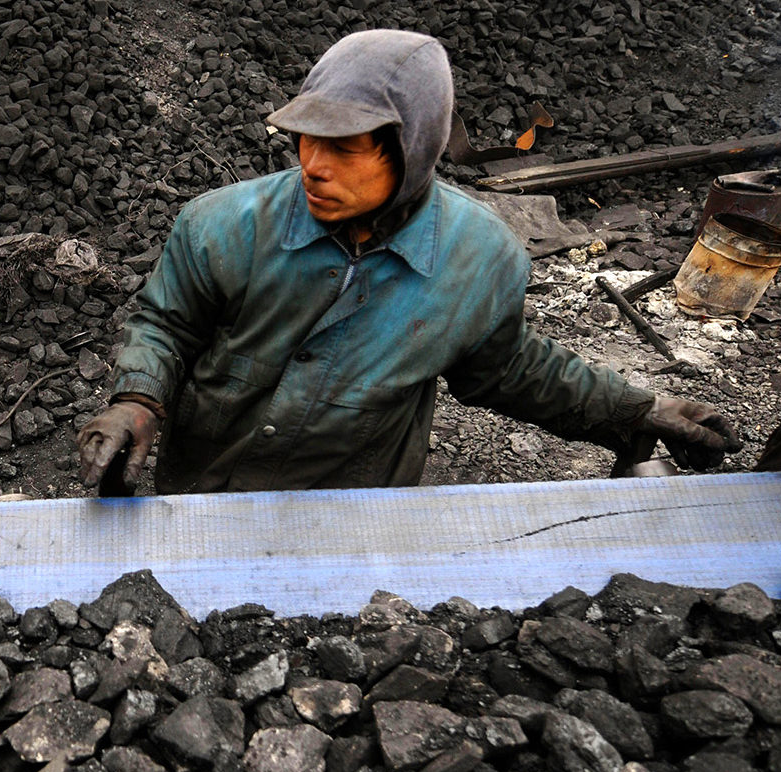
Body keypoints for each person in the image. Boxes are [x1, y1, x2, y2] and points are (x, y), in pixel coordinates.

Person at [77, 29, 740, 494]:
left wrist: (633, 410)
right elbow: (167, 327)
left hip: (354, 500)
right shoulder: (219, 225)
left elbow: (509, 368)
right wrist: (135, 403)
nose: (313, 164)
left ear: (413, 146)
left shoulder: (478, 260)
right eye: (307, 139)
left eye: (346, 147)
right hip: (205, 478)